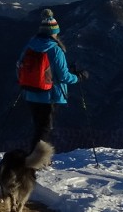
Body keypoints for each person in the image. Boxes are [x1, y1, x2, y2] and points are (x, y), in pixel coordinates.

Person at [17, 8, 82, 149]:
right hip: (50, 96)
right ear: (54, 33)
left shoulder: (30, 46)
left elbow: (19, 66)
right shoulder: (55, 50)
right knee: (45, 128)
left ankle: (36, 156)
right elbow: (64, 77)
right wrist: (79, 77)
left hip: (30, 93)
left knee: (38, 127)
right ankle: (36, 159)